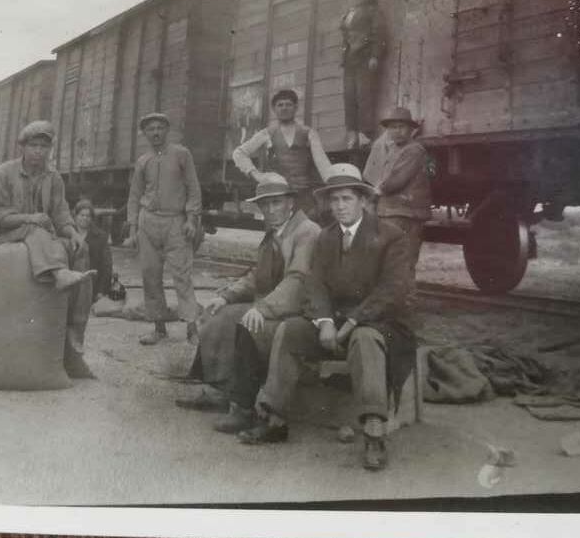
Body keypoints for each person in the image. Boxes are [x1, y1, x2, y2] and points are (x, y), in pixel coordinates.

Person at [241, 163, 414, 472]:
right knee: (291, 330)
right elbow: (314, 284)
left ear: (363, 200)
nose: (339, 207)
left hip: (381, 324)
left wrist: (349, 324)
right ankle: (274, 417)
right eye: (334, 200)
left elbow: (392, 291)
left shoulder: (392, 236)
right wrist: (324, 322)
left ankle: (374, 431)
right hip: (332, 323)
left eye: (346, 199)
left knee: (365, 339)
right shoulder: (326, 238)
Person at [176, 174, 321, 436]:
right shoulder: (274, 232)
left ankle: (242, 408)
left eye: (276, 203)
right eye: (265, 205)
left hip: (298, 309)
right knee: (221, 316)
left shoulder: (306, 231)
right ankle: (219, 389)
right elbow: (257, 275)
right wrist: (227, 295)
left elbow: (298, 281)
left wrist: (262, 308)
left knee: (249, 324)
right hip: (274, 304)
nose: (270, 210)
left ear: (290, 202)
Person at [0, 120, 97, 378]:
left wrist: (73, 232)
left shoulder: (54, 177)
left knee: (82, 250)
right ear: (22, 147)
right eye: (33, 145)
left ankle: (76, 333)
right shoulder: (2, 172)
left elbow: (60, 212)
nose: (39, 151)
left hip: (42, 237)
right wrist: (30, 218)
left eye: (44, 147)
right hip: (9, 233)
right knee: (38, 229)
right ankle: (59, 273)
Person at [125, 112, 202, 346]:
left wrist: (191, 219)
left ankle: (192, 330)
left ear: (167, 130)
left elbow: (193, 187)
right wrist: (132, 229)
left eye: (160, 128)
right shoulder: (143, 160)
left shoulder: (182, 154)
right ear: (145, 133)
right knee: (150, 275)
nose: (156, 132)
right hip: (148, 223)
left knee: (182, 275)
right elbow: (135, 195)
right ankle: (159, 328)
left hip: (175, 222)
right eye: (151, 129)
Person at [231, 88, 333, 218]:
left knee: (305, 233)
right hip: (278, 196)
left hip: (304, 197)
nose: (284, 108)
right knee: (277, 234)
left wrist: (334, 184)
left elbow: (322, 163)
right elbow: (239, 153)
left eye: (288, 104)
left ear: (296, 107)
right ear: (274, 109)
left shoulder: (309, 133)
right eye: (280, 105)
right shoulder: (267, 133)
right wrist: (257, 175)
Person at [362, 107, 431, 282]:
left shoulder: (414, 150)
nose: (397, 131)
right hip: (392, 212)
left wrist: (375, 192)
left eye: (401, 127)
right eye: (392, 127)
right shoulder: (393, 150)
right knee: (391, 262)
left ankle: (405, 304)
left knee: (403, 262)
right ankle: (396, 303)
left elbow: (397, 180)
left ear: (410, 130)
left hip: (405, 214)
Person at [340, 0, 382, 151]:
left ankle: (366, 134)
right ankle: (352, 133)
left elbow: (378, 34)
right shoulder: (347, 14)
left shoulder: (371, 12)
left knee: (364, 96)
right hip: (349, 60)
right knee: (349, 97)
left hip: (364, 57)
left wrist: (375, 56)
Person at [73, 198, 113, 300]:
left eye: (88, 216)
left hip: (92, 285)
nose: (85, 218)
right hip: (72, 283)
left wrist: (101, 291)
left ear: (91, 218)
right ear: (75, 216)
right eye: (82, 215)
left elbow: (107, 266)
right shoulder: (67, 235)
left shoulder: (101, 237)